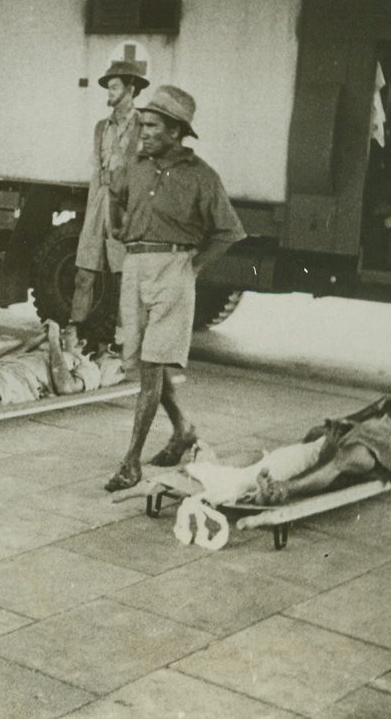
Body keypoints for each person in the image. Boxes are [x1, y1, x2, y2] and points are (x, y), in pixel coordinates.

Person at [103, 86, 246, 492]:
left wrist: (194, 268)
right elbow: (113, 194)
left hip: (173, 270)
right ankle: (183, 429)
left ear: (174, 131)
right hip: (135, 267)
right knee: (147, 361)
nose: (142, 131)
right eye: (142, 124)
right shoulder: (136, 165)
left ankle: (130, 463)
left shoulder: (202, 176)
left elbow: (229, 232)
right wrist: (117, 226)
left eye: (150, 125)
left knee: (151, 370)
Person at [71, 59, 149, 344]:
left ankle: (121, 340)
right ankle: (75, 333)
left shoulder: (145, 126)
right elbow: (97, 169)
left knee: (125, 279)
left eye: (114, 87)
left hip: (125, 207)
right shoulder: (101, 127)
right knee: (84, 273)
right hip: (99, 201)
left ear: (131, 89)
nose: (109, 92)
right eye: (109, 87)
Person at [250, 397, 391, 504]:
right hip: (356, 434)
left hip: (384, 445)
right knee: (322, 445)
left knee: (342, 460)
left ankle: (283, 488)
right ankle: (276, 488)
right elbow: (343, 422)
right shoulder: (379, 415)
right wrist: (374, 408)